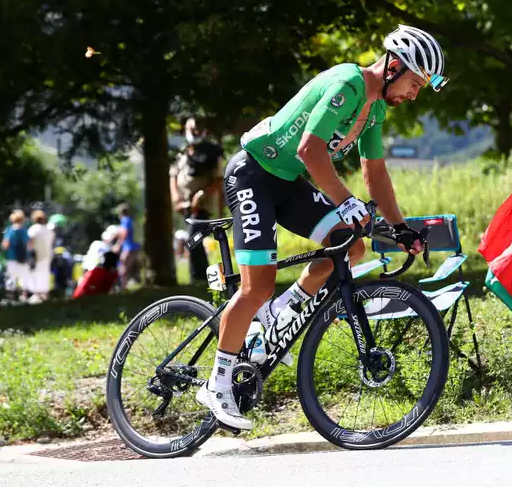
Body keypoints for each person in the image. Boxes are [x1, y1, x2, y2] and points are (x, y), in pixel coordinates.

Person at [195, 24, 447, 430]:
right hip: (253, 175)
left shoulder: (375, 110)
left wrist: (400, 228)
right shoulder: (347, 83)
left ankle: (280, 312)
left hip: (288, 182)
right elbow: (309, 149)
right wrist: (345, 201)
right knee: (256, 285)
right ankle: (217, 384)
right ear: (394, 66)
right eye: (414, 83)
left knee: (349, 246)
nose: (414, 94)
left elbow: (375, 173)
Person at [170, 118, 226, 283]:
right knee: (193, 240)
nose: (194, 132)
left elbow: (219, 179)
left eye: (197, 129)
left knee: (193, 238)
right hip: (185, 205)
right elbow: (173, 175)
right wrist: (177, 200)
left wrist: (201, 195)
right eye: (191, 129)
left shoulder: (213, 153)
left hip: (203, 206)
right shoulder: (182, 153)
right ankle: (201, 278)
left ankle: (202, 277)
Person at [26, 210, 55, 304]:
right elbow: (52, 240)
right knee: (45, 274)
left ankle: (37, 295)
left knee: (36, 274)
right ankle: (44, 294)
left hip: (36, 256)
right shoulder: (48, 230)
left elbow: (30, 242)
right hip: (47, 255)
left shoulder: (32, 229)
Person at [1, 210, 29, 303]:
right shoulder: (24, 231)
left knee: (11, 277)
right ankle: (23, 296)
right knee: (23, 277)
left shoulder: (9, 230)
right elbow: (28, 244)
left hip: (11, 257)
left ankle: (11, 297)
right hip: (23, 258)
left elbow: (5, 245)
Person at [113, 203, 141, 287]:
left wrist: (118, 245)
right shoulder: (130, 220)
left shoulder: (125, 220)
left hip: (129, 247)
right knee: (134, 268)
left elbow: (124, 233)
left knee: (123, 267)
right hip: (136, 247)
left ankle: (123, 287)